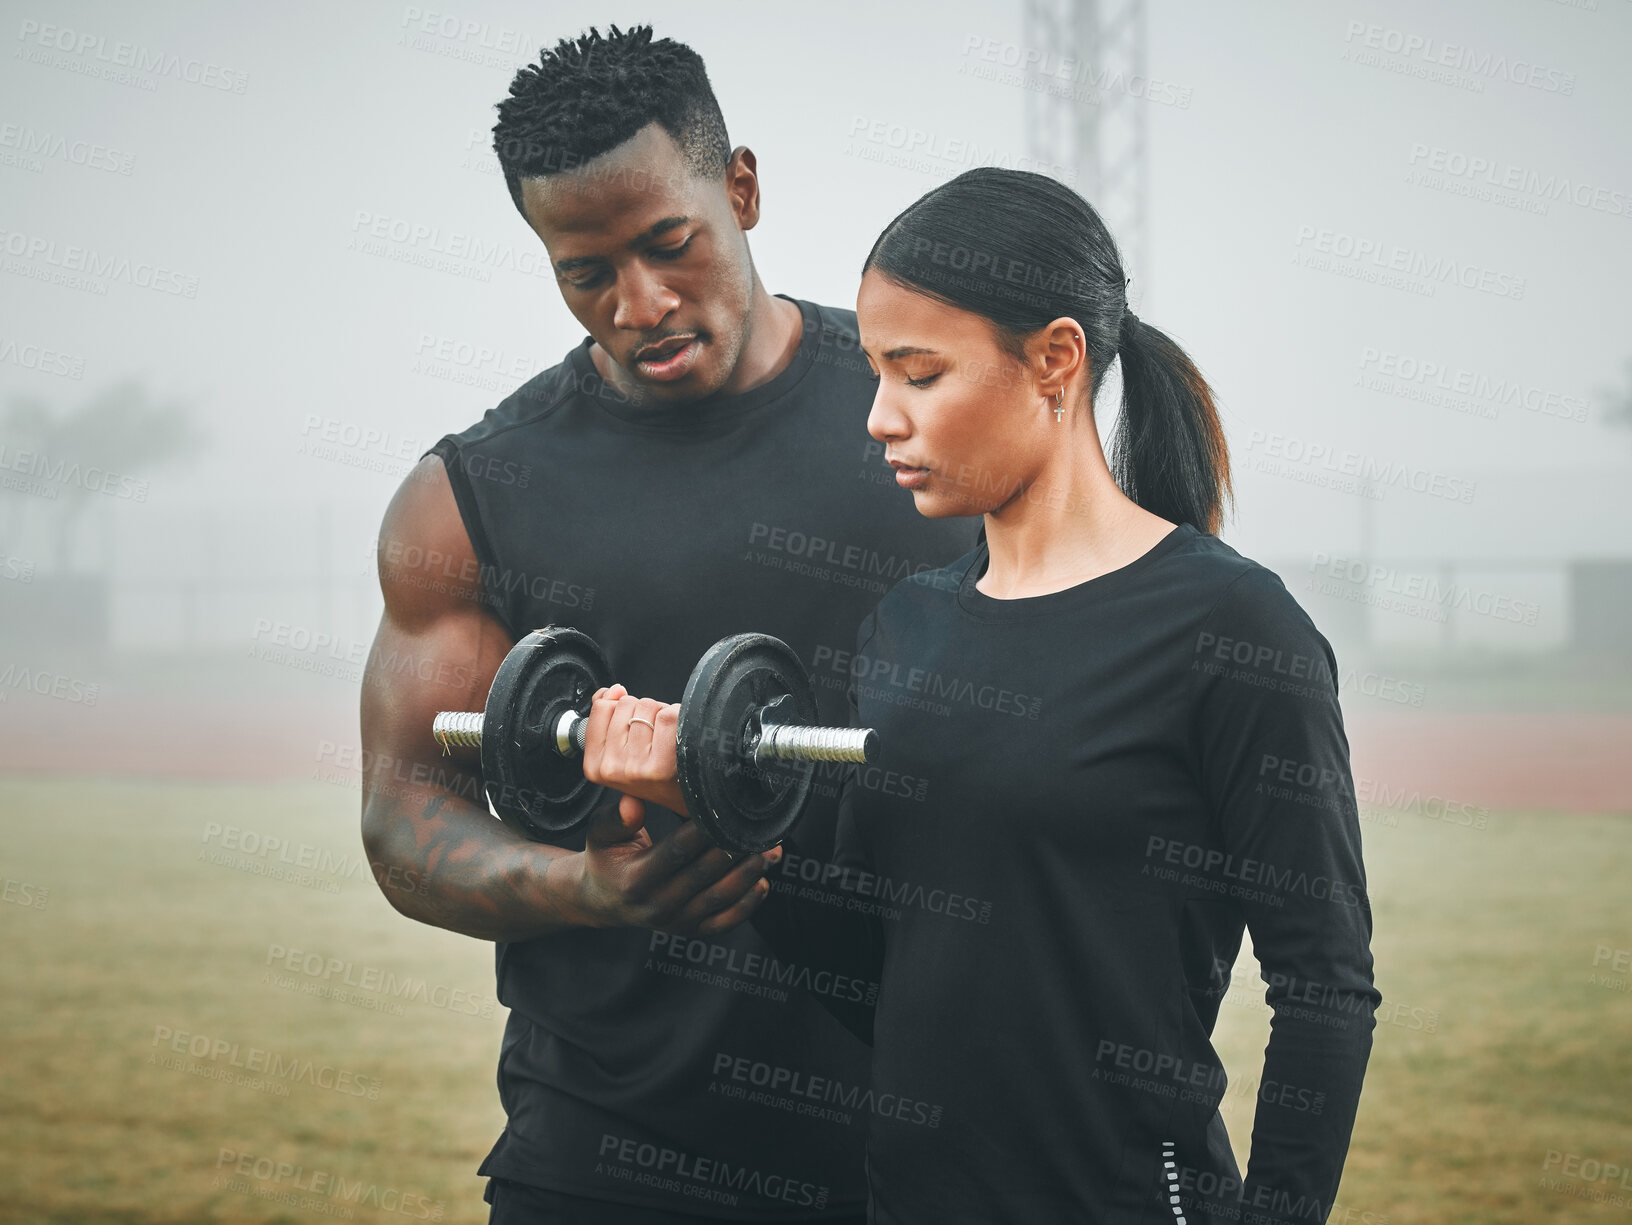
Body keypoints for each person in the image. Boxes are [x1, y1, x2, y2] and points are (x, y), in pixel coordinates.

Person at [581, 166, 1381, 1225]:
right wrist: (712, 807)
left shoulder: (1232, 629)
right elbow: (869, 972)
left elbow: (1325, 986)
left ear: (1055, 360)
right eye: (874, 373)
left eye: (918, 374)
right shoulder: (906, 626)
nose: (878, 418)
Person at [358, 25, 977, 1224]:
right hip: (611, 1154)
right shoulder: (472, 496)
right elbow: (403, 817)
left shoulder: (941, 417)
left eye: (669, 244)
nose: (640, 303)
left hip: (941, 1149)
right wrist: (587, 889)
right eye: (586, 271)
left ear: (740, 186)